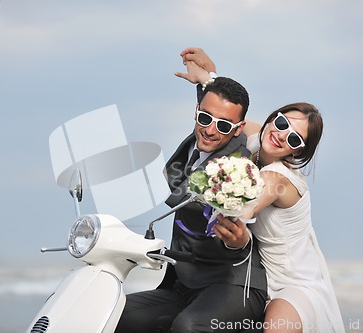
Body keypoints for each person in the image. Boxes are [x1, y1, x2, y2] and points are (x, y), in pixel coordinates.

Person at [177, 48, 345, 333]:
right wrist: (209, 80)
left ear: (299, 152)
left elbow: (249, 205)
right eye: (281, 123)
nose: (280, 134)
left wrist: (231, 219)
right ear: (273, 118)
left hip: (293, 283)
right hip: (257, 277)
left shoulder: (279, 178)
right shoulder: (256, 142)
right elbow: (228, 120)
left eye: (293, 138)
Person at [115, 77, 268, 332]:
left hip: (233, 285)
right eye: (205, 118)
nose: (209, 130)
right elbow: (214, 101)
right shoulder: (200, 139)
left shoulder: (239, 168)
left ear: (239, 128)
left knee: (187, 327)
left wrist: (238, 243)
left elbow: (239, 227)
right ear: (197, 111)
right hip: (184, 282)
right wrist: (206, 76)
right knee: (114, 314)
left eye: (223, 125)